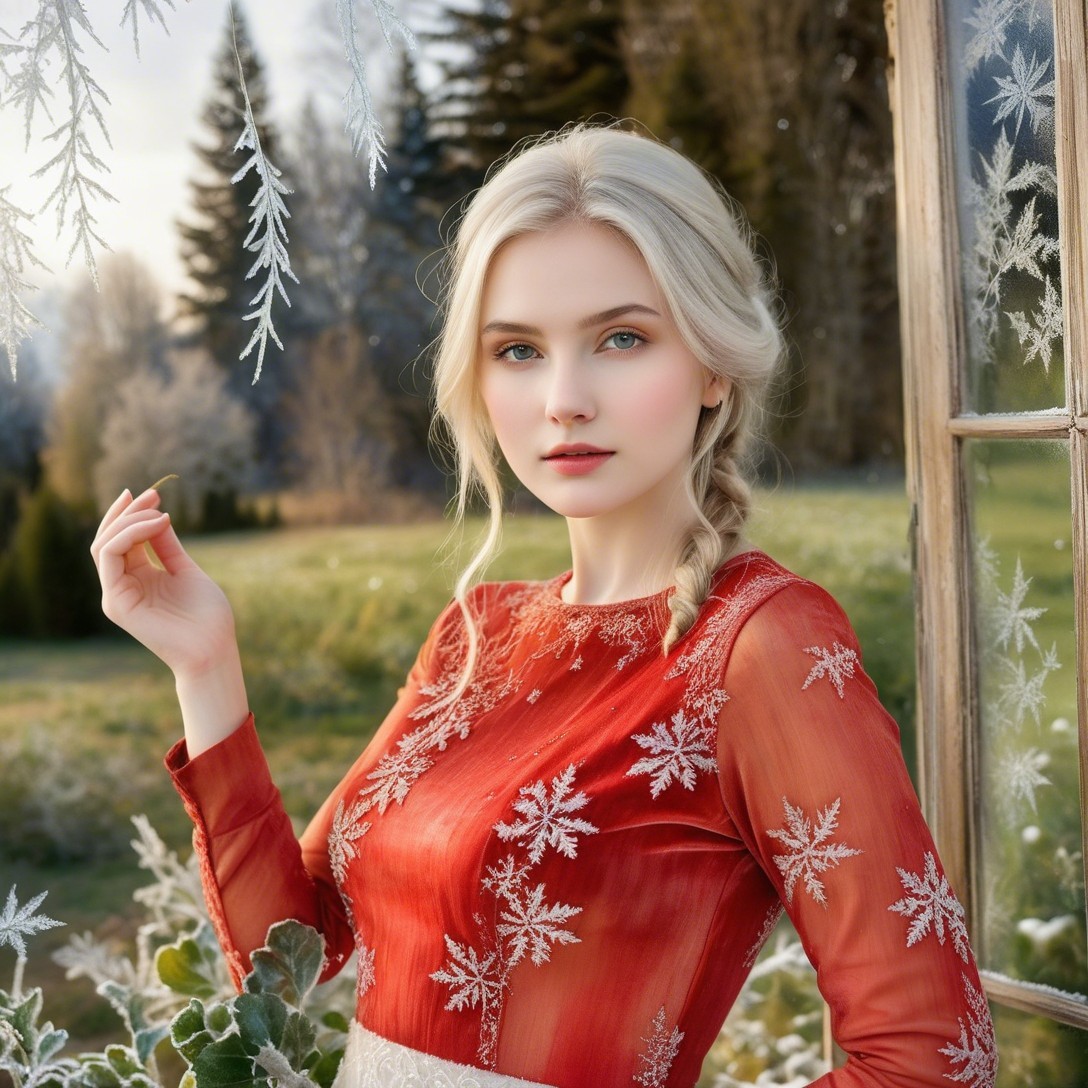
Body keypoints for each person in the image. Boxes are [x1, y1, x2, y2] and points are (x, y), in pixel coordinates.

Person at [91, 124, 997, 1087]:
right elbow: (289, 949)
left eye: (622, 339)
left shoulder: (763, 645)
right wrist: (205, 665)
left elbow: (931, 1061)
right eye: (518, 350)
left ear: (714, 363)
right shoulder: (473, 636)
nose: (565, 398)